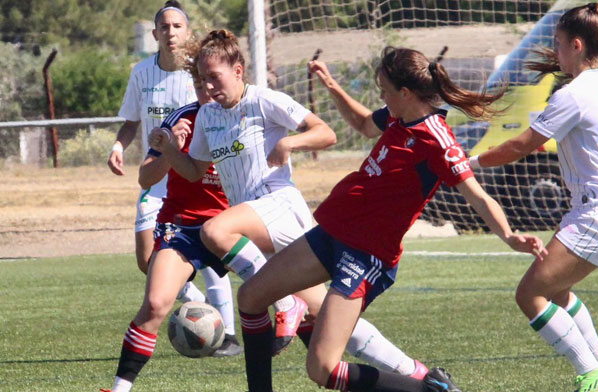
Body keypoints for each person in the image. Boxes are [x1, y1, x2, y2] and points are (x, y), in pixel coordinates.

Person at [235, 46, 547, 392]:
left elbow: (477, 195)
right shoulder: (398, 115)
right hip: (330, 235)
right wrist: (331, 85)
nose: (381, 95)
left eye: (384, 89)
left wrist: (509, 236)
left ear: (405, 92)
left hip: (365, 256)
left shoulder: (438, 140)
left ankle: (430, 389)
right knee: (250, 297)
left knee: (322, 370)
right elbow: (364, 124)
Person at [152, 29, 435, 386]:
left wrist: (289, 142)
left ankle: (285, 304)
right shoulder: (208, 117)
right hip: (254, 231)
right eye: (202, 79)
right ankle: (422, 377)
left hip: (280, 208)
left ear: (238, 71)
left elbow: (325, 133)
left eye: (214, 77)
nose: (207, 87)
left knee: (214, 230)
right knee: (331, 326)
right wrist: (171, 152)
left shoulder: (264, 100)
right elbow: (194, 171)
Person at [469, 3, 598, 391]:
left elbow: (522, 145)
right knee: (556, 290)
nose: (554, 52)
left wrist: (468, 162)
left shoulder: (572, 95)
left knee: (529, 294)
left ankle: (591, 369)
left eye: (557, 44)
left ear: (575, 45)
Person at [105, 0, 238, 348]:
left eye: (177, 26)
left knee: (212, 254)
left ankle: (230, 334)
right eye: (164, 26)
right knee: (148, 261)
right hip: (157, 174)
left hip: (193, 177)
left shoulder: (199, 75)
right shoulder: (141, 72)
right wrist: (118, 147)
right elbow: (131, 122)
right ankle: (201, 308)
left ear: (187, 31)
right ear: (155, 34)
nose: (171, 32)